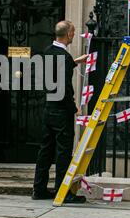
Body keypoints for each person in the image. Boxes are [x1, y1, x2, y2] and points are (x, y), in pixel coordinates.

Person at [32, 21, 88, 203]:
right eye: (73, 31)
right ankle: (62, 192)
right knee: (63, 152)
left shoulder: (48, 51)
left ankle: (39, 189)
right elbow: (64, 87)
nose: (73, 34)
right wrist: (74, 108)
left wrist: (74, 62)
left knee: (45, 150)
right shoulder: (63, 57)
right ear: (68, 34)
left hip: (48, 108)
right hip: (62, 112)